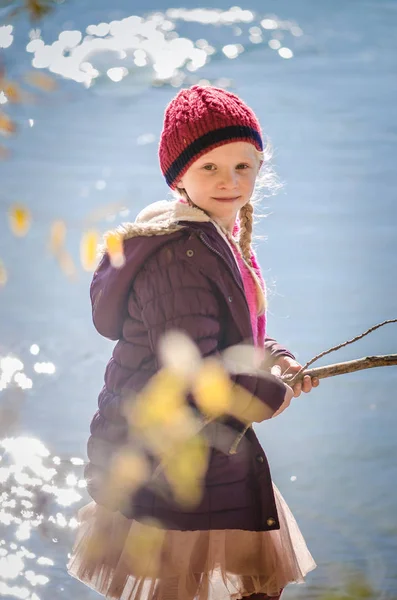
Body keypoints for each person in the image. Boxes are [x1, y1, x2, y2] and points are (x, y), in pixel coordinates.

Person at [68, 84, 319, 600]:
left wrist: (277, 360)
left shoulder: (216, 237)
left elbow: (231, 332)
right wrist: (269, 394)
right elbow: (193, 374)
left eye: (243, 167)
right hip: (167, 461)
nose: (230, 182)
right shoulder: (179, 256)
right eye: (210, 168)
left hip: (208, 450)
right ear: (179, 176)